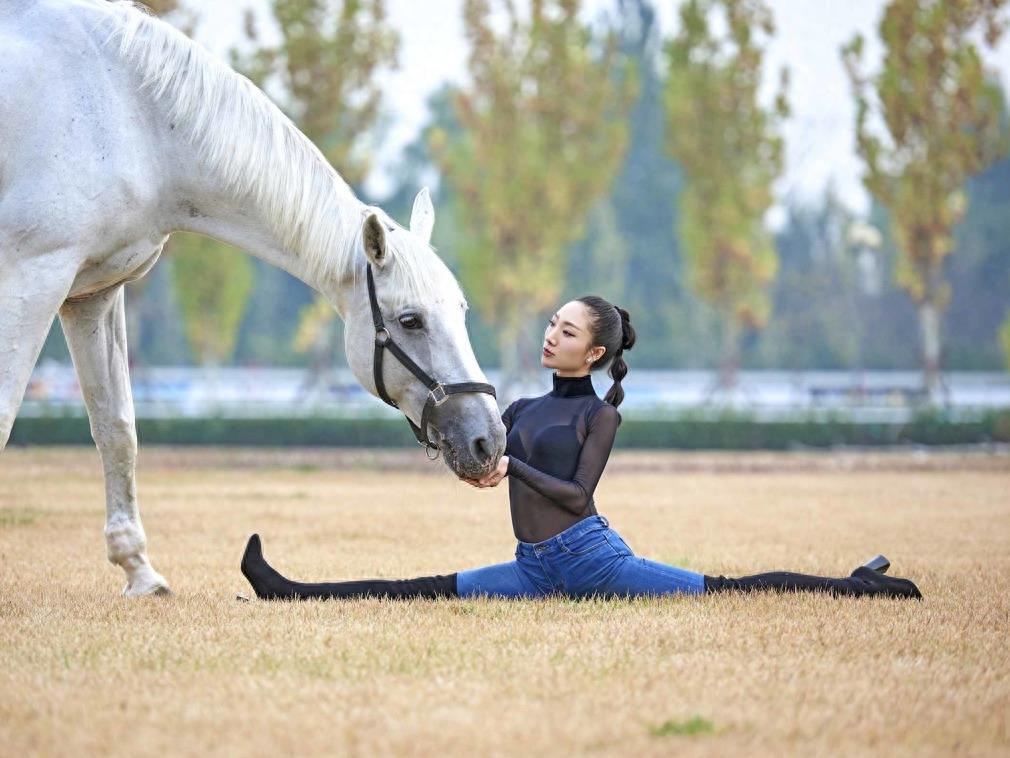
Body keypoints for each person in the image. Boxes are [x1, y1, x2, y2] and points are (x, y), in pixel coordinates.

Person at [240, 296, 923, 602]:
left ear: (593, 352)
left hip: (596, 564)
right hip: (533, 570)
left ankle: (859, 587)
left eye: (565, 332)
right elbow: (492, 463)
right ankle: (286, 591)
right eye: (550, 324)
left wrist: (514, 467)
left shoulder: (601, 416)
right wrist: (478, 470)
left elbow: (577, 497)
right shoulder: (519, 408)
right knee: (423, 590)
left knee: (730, 591)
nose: (550, 336)